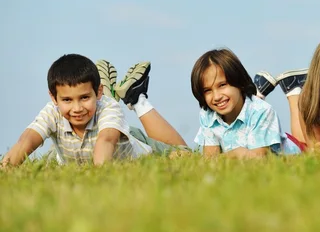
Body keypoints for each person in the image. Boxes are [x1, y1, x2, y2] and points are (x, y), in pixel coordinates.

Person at [1, 54, 187, 167]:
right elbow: (27, 139)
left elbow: (106, 140)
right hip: (77, 148)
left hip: (131, 142)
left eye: (84, 97)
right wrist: (6, 169)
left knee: (185, 154)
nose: (77, 108)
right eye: (67, 100)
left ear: (97, 93)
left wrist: (100, 174)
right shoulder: (52, 110)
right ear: (53, 98)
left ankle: (136, 98)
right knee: (53, 155)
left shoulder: (108, 108)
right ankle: (109, 93)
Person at [190, 48, 301, 158]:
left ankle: (294, 88)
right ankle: (259, 91)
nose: (217, 97)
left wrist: (231, 156)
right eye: (207, 90)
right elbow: (210, 160)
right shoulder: (207, 115)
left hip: (293, 153)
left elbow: (258, 158)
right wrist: (236, 153)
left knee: (307, 145)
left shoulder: (262, 111)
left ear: (239, 82)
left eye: (222, 85)